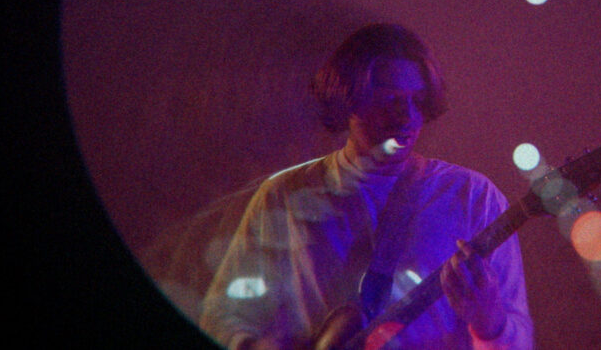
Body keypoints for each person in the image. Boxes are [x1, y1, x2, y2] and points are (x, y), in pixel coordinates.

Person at [199, 23, 533, 349]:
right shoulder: (284, 196)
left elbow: (520, 341)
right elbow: (223, 318)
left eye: (417, 100)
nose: (407, 117)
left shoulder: (474, 198)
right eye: (389, 100)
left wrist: (491, 324)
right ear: (350, 100)